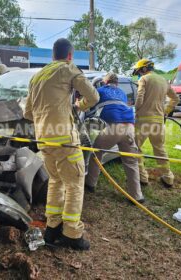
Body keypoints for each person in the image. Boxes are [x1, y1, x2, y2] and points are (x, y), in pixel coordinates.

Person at [23, 38, 99, 250]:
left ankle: (53, 227)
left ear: (52, 55)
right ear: (70, 55)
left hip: (44, 139)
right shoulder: (68, 69)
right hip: (65, 139)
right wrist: (79, 105)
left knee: (56, 181)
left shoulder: (37, 76)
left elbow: (27, 112)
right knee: (74, 183)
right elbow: (93, 96)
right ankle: (72, 234)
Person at [85, 73, 145, 203]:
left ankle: (90, 184)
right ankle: (137, 196)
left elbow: (89, 104)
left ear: (105, 82)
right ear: (117, 83)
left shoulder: (99, 90)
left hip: (114, 127)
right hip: (129, 127)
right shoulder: (122, 93)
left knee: (96, 153)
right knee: (131, 161)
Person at [132, 59, 179, 187]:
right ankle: (168, 177)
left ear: (143, 69)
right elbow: (175, 98)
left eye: (139, 72)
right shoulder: (164, 80)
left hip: (143, 121)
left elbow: (140, 97)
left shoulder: (144, 79)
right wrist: (165, 111)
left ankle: (142, 177)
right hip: (158, 121)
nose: (139, 75)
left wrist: (135, 109)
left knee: (136, 148)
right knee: (160, 149)